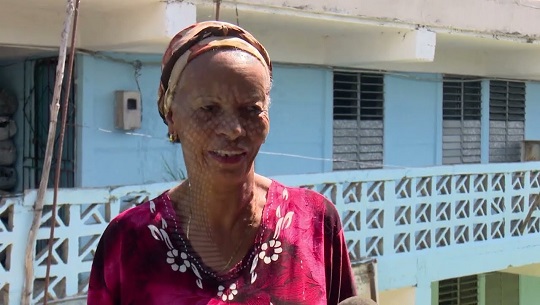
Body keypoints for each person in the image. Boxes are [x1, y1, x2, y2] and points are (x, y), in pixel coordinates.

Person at [87, 20, 357, 305]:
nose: (233, 130)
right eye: (209, 109)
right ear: (171, 116)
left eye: (251, 110)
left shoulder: (314, 222)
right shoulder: (129, 242)